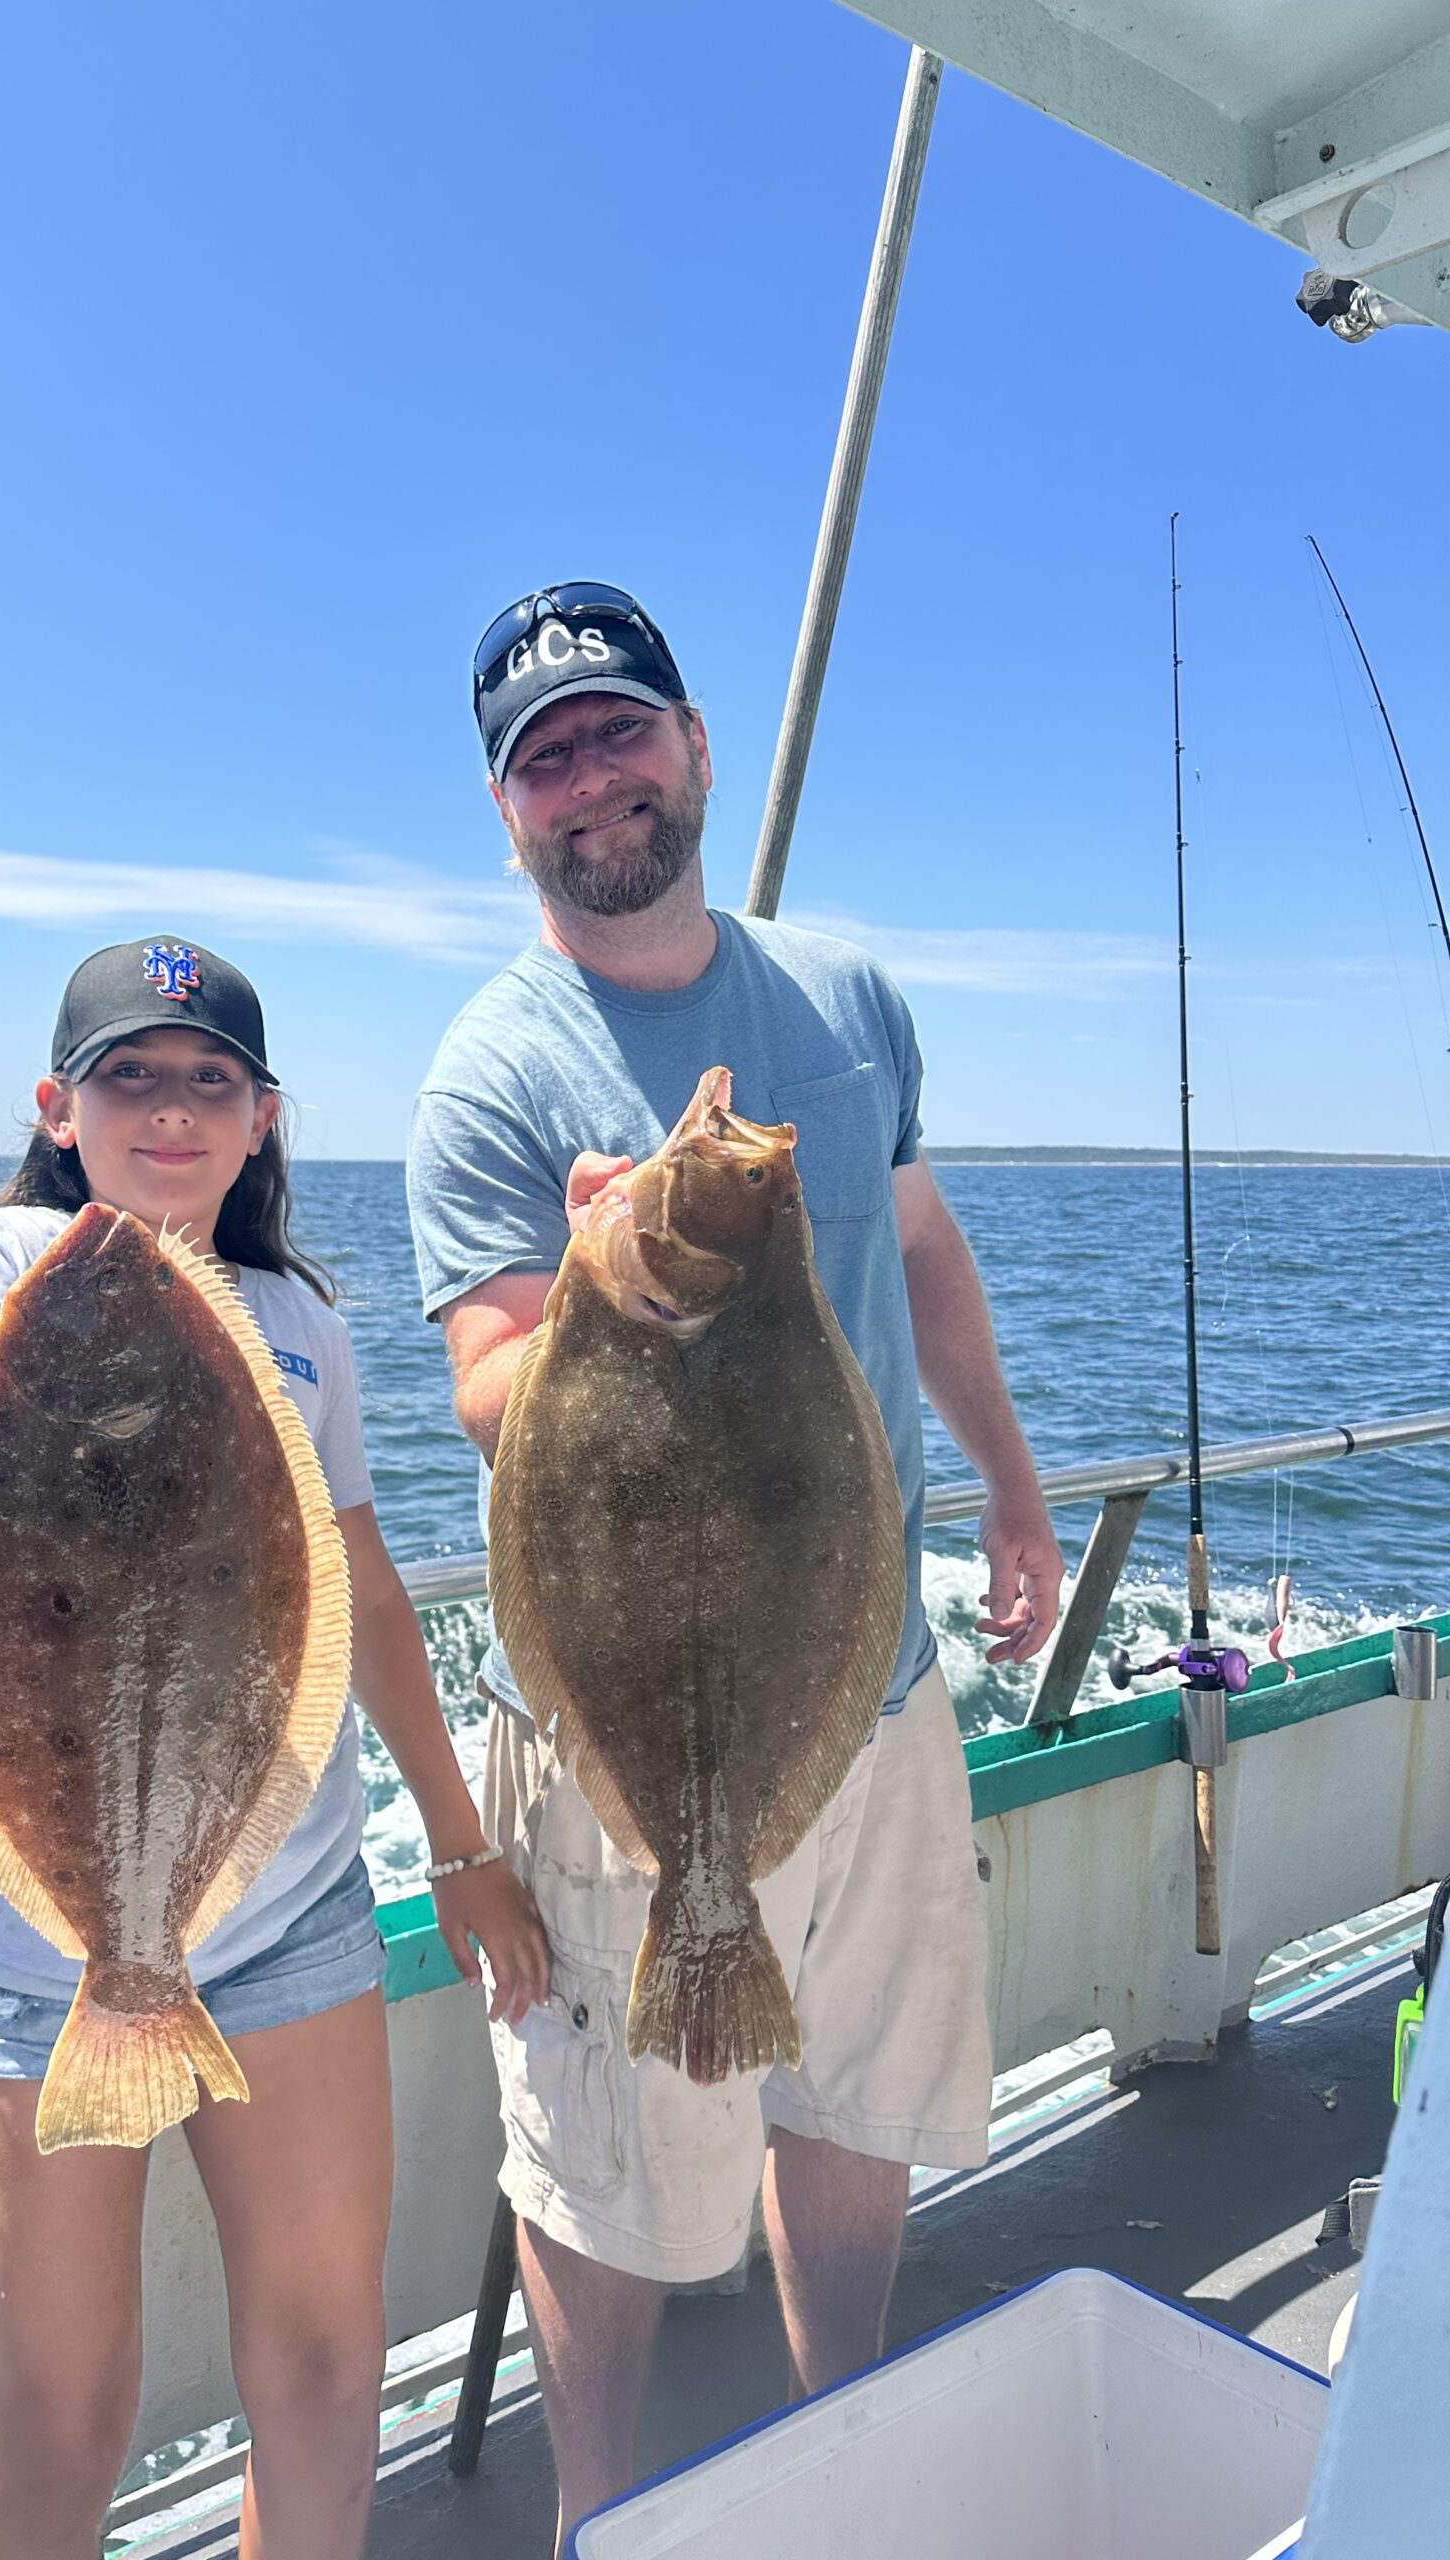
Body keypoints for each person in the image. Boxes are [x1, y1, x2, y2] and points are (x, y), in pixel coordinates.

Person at [406, 584, 1066, 2548]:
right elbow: (480, 1389)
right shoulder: (492, 1070)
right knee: (613, 2173)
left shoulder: (848, 996)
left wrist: (1016, 1490)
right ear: (507, 813)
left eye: (618, 732)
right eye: (545, 758)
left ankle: (836, 2453)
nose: (590, 778)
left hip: (861, 1681)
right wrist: (611, 1290)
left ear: (695, 747)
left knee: (855, 2108)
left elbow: (920, 1255)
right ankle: (602, 2515)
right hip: (630, 1700)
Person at [0, 934, 551, 2560]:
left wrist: (459, 1844)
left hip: (295, 1910)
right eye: (131, 1078)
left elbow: (360, 1584)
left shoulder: (306, 1313)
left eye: (209, 1082)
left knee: (322, 2365)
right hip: (44, 1945)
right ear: (59, 1105)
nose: (171, 1112)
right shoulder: (0, 1257)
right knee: (61, 2416)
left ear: (263, 1120)